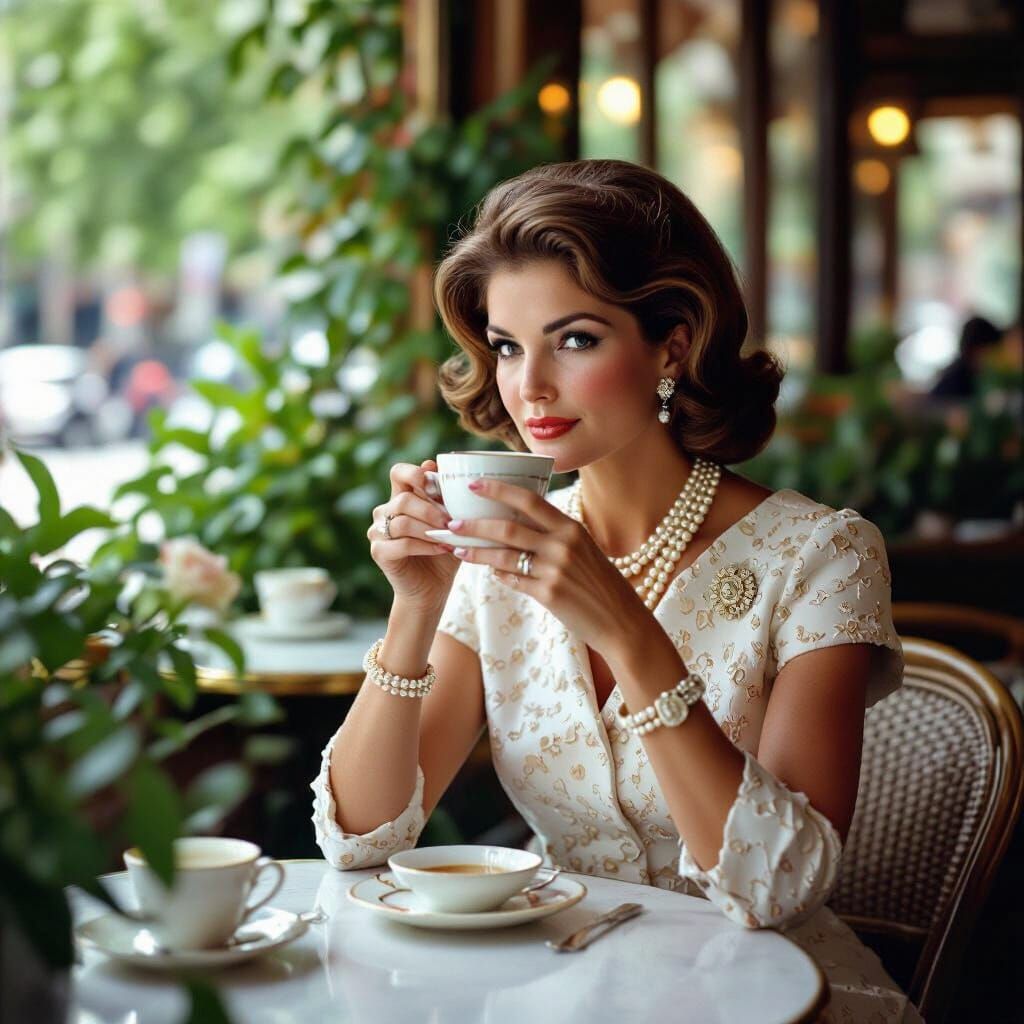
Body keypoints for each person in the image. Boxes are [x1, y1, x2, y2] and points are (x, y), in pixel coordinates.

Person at [311, 159, 921, 1022]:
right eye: (507, 346)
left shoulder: (821, 555)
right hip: (558, 986)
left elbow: (779, 888)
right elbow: (359, 839)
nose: (528, 386)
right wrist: (415, 605)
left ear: (672, 344)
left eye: (575, 340)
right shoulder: (496, 557)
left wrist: (630, 635)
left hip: (772, 994)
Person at [929, 314, 1002, 399]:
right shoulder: (956, 381)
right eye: (991, 351)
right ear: (976, 350)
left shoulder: (978, 376)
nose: (995, 358)